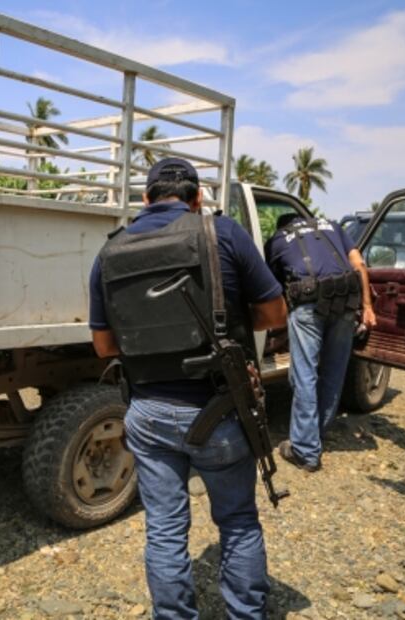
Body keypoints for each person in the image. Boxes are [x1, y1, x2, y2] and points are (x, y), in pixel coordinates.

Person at [88, 157, 288, 619]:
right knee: (237, 522)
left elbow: (103, 346)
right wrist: (234, 326)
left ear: (145, 200)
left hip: (148, 411)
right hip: (220, 411)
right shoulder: (224, 233)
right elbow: (276, 314)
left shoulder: (110, 251)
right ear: (198, 199)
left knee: (164, 529)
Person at [264, 213, 377, 472]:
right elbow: (359, 265)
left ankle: (305, 451)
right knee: (334, 371)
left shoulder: (278, 239)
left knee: (304, 375)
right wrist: (368, 307)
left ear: (284, 226)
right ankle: (317, 434)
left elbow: (271, 287)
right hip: (347, 300)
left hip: (308, 303)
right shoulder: (333, 226)